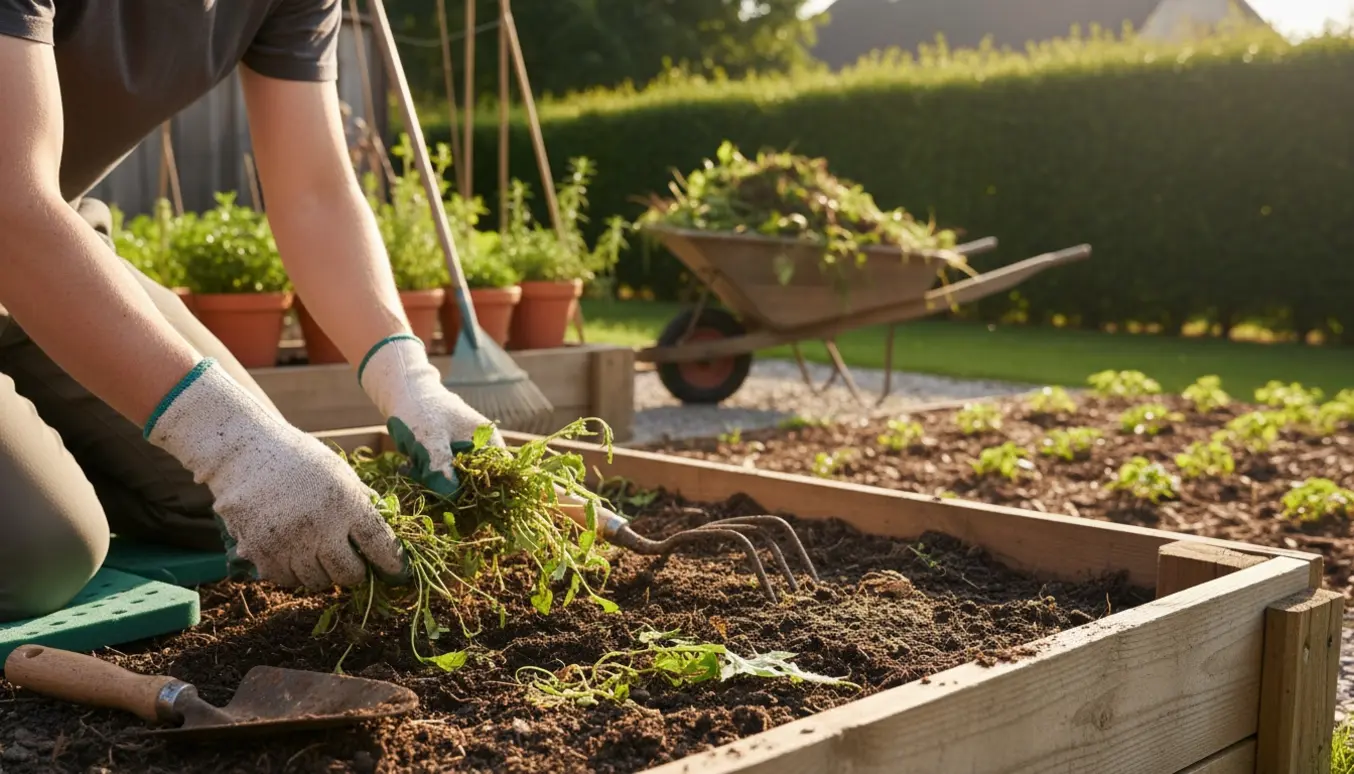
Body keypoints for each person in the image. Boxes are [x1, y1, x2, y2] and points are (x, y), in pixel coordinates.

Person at [0, 0, 504, 622]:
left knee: (215, 499)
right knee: (42, 553)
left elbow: (315, 194)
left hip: (52, 252)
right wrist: (230, 444)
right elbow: (9, 202)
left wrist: (406, 377)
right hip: (16, 228)